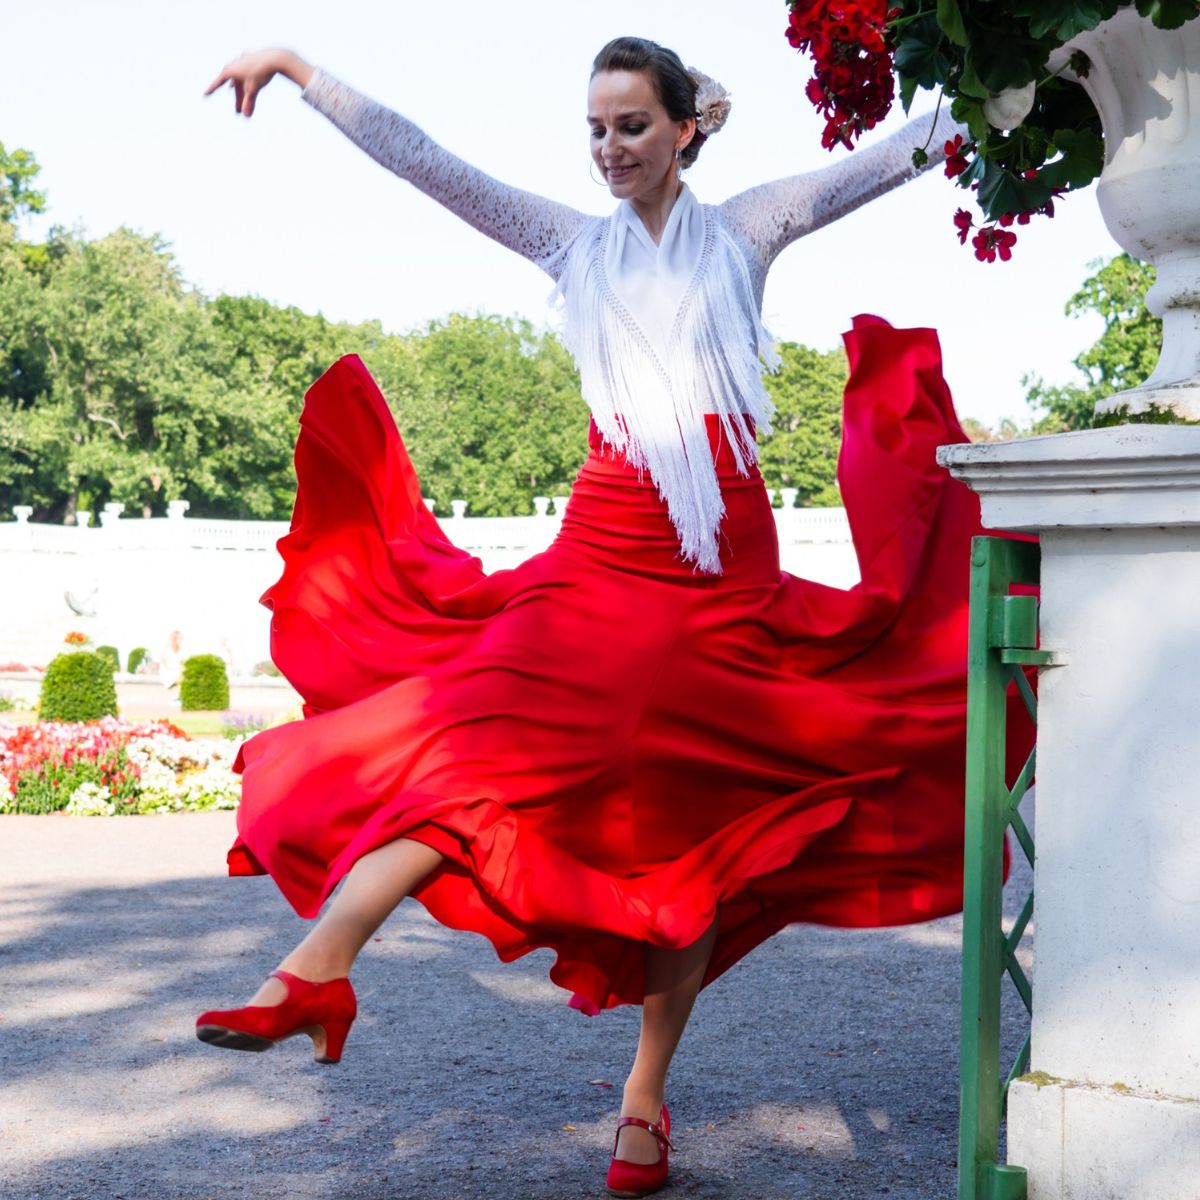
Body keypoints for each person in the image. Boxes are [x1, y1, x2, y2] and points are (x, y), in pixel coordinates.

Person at [197, 38, 987, 1198]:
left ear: (683, 130)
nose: (610, 149)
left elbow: (890, 157)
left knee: (695, 824)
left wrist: (1013, 84)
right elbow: (428, 163)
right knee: (469, 747)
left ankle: (642, 1105)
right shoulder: (572, 244)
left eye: (631, 126)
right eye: (597, 130)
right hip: (603, 549)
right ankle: (317, 967)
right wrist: (305, 74)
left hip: (719, 570)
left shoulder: (750, 227)